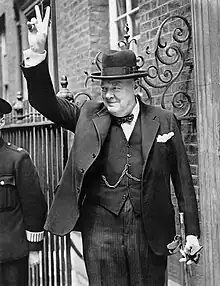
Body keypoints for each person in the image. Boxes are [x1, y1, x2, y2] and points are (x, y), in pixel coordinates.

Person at [21, 5, 201, 285]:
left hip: (149, 229)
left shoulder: (164, 120)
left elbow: (183, 182)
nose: (108, 94)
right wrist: (37, 55)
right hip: (100, 229)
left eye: (116, 87)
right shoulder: (88, 114)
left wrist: (191, 232)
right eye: (104, 87)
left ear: (135, 87)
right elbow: (44, 102)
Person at [0, 98, 47, 286]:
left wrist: (34, 248)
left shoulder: (17, 159)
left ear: (1, 122)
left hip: (9, 255)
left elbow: (34, 205)